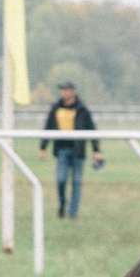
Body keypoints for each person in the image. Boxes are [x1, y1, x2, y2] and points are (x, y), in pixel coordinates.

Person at [42, 82, 97, 219]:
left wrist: (96, 150)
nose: (64, 93)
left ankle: (73, 212)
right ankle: (62, 204)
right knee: (61, 180)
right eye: (62, 90)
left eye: (66, 90)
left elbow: (91, 129)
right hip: (61, 149)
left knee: (76, 182)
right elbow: (48, 127)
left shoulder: (82, 109)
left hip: (78, 150)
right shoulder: (56, 108)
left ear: (73, 92)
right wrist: (43, 147)